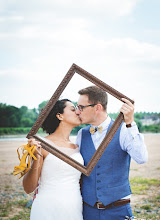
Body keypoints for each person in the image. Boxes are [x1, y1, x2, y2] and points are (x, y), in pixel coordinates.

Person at [75, 86, 148, 220]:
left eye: (81, 107)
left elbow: (142, 158)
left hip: (118, 211)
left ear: (97, 107)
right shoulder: (81, 134)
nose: (77, 112)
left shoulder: (124, 130)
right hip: (88, 211)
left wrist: (130, 122)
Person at [23, 99, 84, 220]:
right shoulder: (42, 145)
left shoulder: (77, 146)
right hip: (47, 207)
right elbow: (28, 188)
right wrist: (36, 158)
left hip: (74, 207)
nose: (78, 112)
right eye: (73, 109)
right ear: (60, 116)